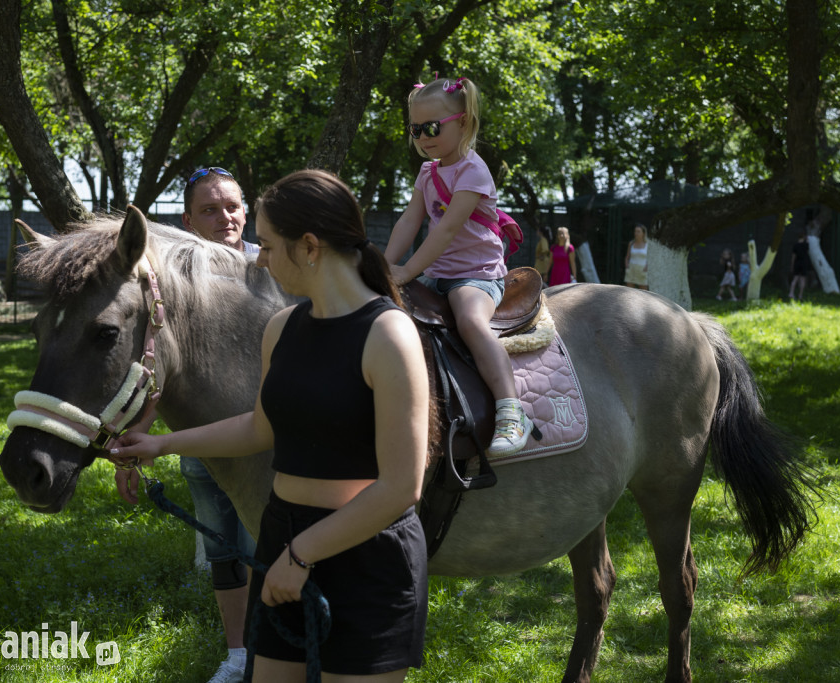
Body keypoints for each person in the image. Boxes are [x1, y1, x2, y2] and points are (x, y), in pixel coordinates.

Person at [110, 169, 429, 682]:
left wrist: (301, 557)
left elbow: (400, 487)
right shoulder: (282, 328)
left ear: (308, 247)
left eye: (269, 244)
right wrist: (162, 444)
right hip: (283, 536)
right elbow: (261, 426)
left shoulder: (389, 334)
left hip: (365, 557)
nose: (257, 256)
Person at [116, 166, 259, 683]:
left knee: (269, 546)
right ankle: (239, 654)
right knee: (224, 549)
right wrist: (135, 440)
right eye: (209, 209)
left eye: (232, 206)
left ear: (247, 211)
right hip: (200, 442)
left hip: (263, 442)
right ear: (188, 219)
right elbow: (158, 363)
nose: (225, 218)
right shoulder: (170, 283)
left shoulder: (272, 273)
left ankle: (279, 651)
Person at [383, 75, 533, 457]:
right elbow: (408, 221)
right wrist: (384, 266)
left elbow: (447, 230)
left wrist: (407, 271)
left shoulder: (472, 171)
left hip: (475, 274)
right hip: (438, 272)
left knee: (470, 322)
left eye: (431, 127)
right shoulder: (428, 172)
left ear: (463, 122)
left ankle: (511, 411)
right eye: (415, 129)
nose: (422, 137)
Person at [623, 224, 649, 290]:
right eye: (635, 231)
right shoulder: (631, 243)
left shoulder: (648, 244)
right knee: (629, 292)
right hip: (631, 269)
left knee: (644, 294)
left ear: (643, 233)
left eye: (638, 231)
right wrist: (627, 266)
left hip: (642, 270)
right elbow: (627, 257)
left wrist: (646, 268)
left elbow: (650, 259)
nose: (636, 233)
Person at [788, 232, 811, 300]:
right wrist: (806, 240)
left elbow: (793, 256)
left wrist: (792, 265)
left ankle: (791, 293)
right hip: (804, 263)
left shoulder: (795, 245)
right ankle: (800, 295)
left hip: (797, 263)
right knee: (802, 280)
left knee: (795, 279)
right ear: (804, 237)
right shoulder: (806, 245)